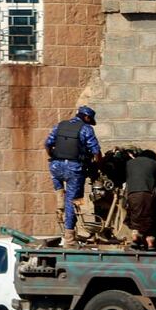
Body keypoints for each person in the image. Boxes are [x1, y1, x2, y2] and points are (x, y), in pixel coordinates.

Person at [44, 105, 102, 248]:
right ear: (87, 117)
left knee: (62, 197)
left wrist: (54, 157)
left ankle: (59, 204)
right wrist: (98, 164)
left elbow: (47, 144)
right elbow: (96, 152)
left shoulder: (60, 125)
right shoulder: (86, 128)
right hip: (74, 170)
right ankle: (69, 239)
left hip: (55, 168)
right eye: (89, 120)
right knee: (75, 200)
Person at [125, 149, 156, 250]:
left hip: (131, 194)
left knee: (134, 215)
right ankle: (150, 243)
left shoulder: (129, 163)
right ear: (153, 158)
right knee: (152, 216)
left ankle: (135, 238)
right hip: (147, 194)